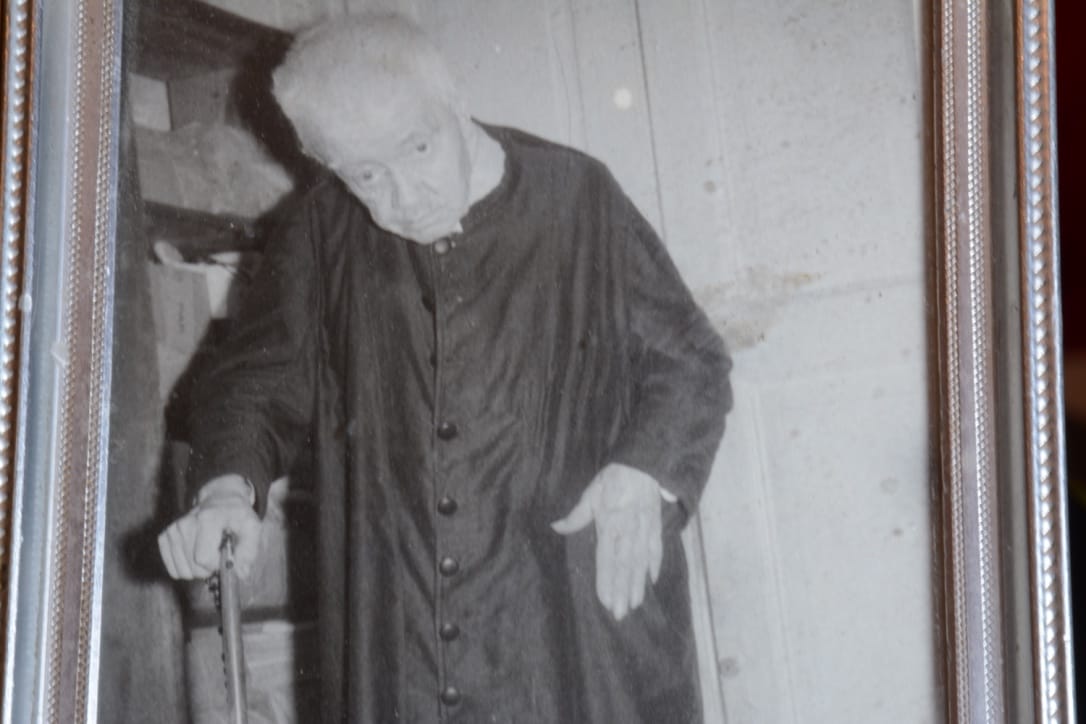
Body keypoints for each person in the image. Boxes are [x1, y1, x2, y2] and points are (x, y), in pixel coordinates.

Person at [158, 13, 732, 723]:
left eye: (420, 148)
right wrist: (224, 492)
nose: (406, 197)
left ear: (455, 102)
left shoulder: (577, 195)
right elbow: (255, 384)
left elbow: (692, 360)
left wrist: (641, 471)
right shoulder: (320, 229)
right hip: (407, 627)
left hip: (572, 611)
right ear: (325, 162)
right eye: (367, 175)